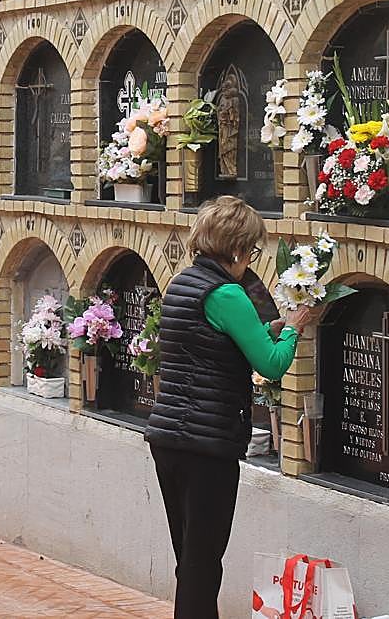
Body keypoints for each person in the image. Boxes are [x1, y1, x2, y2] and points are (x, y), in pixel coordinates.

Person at [145, 196, 314, 618]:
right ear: (237, 249)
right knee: (204, 564)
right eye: (252, 250)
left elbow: (211, 342)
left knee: (191, 559)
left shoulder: (183, 282)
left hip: (169, 437)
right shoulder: (228, 293)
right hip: (208, 444)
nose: (251, 259)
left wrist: (265, 329)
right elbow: (271, 365)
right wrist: (292, 330)